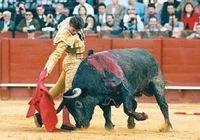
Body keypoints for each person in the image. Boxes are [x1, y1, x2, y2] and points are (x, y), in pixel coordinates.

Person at [34, 16, 85, 130]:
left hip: (75, 62)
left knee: (56, 90)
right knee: (70, 93)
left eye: (77, 30)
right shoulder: (64, 36)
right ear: (70, 26)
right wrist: (47, 69)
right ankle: (66, 122)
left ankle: (40, 115)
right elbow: (56, 54)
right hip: (72, 64)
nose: (75, 32)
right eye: (73, 30)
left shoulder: (73, 21)